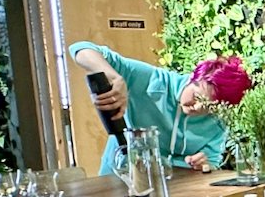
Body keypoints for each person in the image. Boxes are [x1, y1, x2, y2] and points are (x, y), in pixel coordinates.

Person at [67, 41, 252, 174]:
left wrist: (204, 163)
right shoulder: (150, 79)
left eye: (208, 107)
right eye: (196, 97)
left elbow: (211, 160)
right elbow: (80, 49)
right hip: (120, 179)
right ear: (192, 77)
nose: (197, 107)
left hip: (174, 191)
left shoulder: (217, 120)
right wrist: (113, 76)